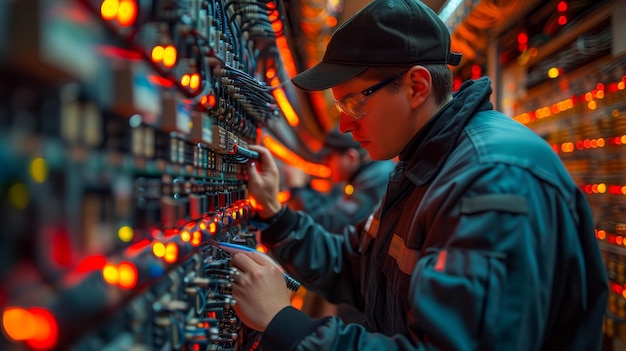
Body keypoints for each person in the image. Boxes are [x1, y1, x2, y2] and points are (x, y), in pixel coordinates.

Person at [229, 0, 609, 349]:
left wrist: (284, 324)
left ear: (416, 87)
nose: (343, 126)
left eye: (352, 103)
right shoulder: (423, 168)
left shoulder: (491, 180)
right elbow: (357, 267)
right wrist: (276, 220)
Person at [282, 128, 395, 322]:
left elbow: (332, 223)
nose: (326, 166)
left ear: (350, 157)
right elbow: (331, 210)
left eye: (329, 158)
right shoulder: (367, 176)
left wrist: (297, 189)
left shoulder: (374, 182)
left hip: (372, 293)